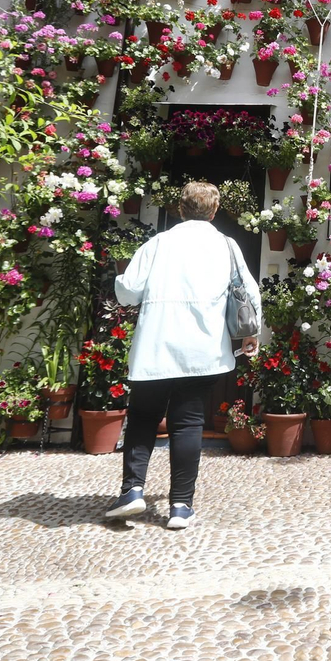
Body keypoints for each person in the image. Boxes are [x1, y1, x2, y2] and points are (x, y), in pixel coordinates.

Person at [106, 180, 261, 529]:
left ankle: (132, 491)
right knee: (188, 423)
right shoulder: (227, 245)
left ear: (180, 209)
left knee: (144, 418)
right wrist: (252, 333)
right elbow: (248, 291)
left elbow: (128, 293)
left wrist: (119, 277)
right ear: (215, 211)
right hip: (202, 349)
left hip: (156, 347)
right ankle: (180, 507)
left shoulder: (159, 243)